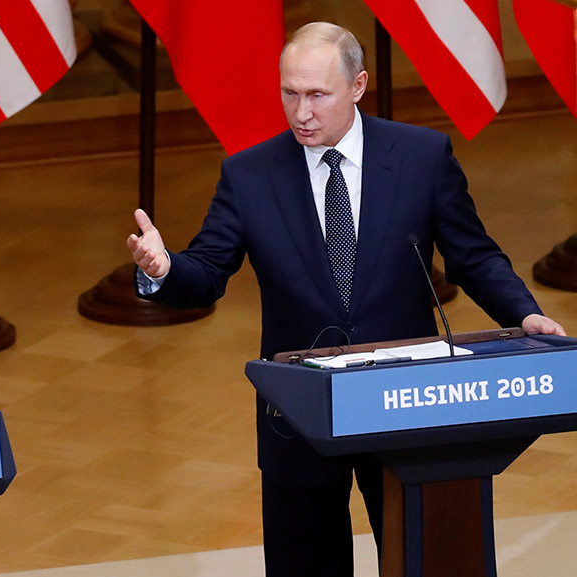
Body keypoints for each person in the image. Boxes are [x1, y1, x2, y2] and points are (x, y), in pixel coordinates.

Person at [126, 21, 566, 577]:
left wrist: (523, 313)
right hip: (301, 411)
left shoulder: (421, 156)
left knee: (424, 558)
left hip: (406, 403)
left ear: (357, 86)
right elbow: (209, 271)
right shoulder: (249, 174)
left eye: (317, 95)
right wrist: (164, 271)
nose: (300, 112)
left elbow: (473, 255)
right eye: (290, 93)